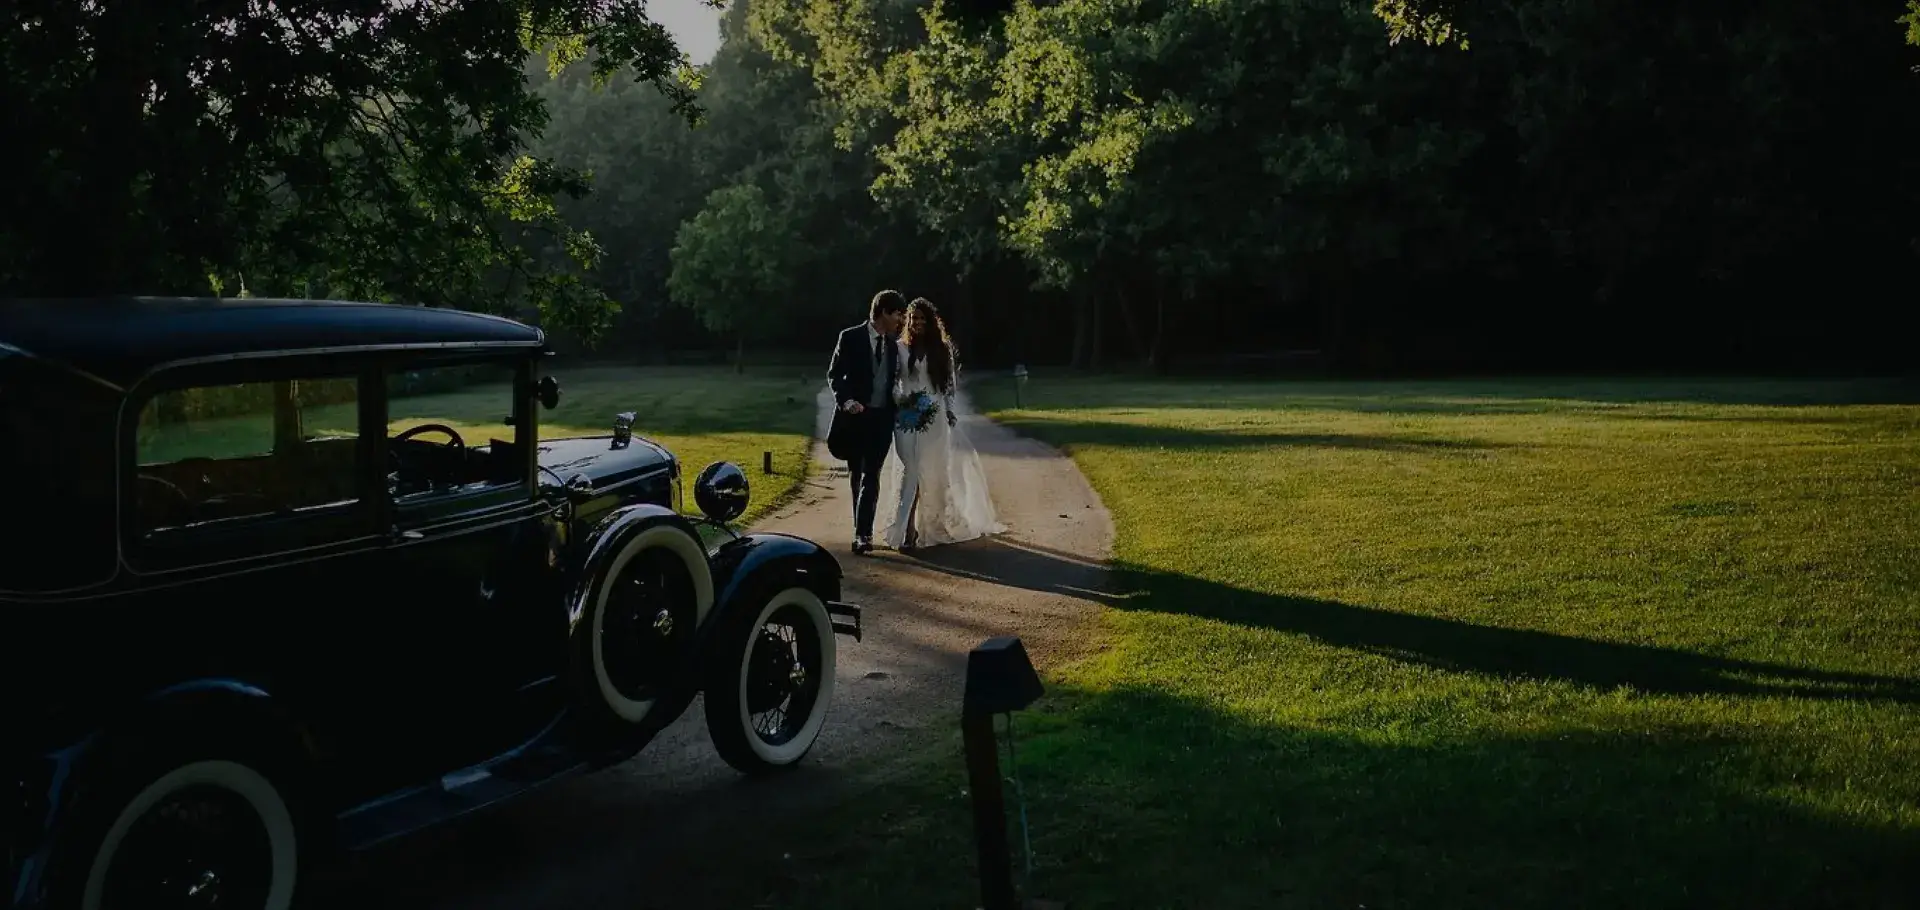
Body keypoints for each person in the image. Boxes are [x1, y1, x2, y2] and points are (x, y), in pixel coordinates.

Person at [875, 298, 1003, 552]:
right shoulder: (898, 348)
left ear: (931, 322)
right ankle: (906, 528)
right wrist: (901, 400)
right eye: (914, 318)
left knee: (930, 472)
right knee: (910, 469)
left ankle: (928, 526)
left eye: (923, 319)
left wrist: (950, 411)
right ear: (908, 321)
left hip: (934, 416)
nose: (918, 323)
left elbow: (949, 387)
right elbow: (891, 382)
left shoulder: (942, 350)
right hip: (906, 416)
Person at [827, 289, 908, 555]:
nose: (900, 319)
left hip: (882, 419)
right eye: (897, 313)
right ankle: (859, 528)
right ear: (883, 312)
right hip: (855, 418)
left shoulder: (894, 346)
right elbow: (835, 375)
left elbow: (894, 381)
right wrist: (846, 401)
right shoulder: (850, 337)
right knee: (857, 474)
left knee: (871, 475)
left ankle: (863, 534)